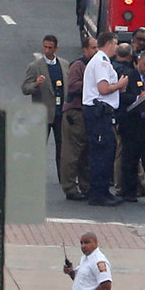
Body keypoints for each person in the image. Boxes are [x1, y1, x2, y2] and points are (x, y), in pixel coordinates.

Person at [83, 32, 125, 205]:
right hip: (98, 112)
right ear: (108, 43)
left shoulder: (104, 61)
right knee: (101, 152)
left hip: (103, 112)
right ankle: (97, 194)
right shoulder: (101, 62)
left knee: (108, 150)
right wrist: (120, 84)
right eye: (115, 43)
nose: (117, 47)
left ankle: (104, 191)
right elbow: (103, 88)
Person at [116, 49, 145, 201]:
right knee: (130, 160)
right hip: (134, 125)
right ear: (138, 62)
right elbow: (122, 96)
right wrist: (138, 97)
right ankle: (129, 192)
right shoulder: (129, 77)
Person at [22, 34, 66, 167]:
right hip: (43, 115)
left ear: (56, 49)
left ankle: (63, 178)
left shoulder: (64, 65)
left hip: (60, 113)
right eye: (45, 47)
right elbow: (25, 88)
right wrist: (35, 84)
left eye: (50, 48)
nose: (47, 51)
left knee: (62, 148)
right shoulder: (35, 66)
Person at [59, 35, 93, 199]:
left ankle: (85, 186)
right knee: (72, 153)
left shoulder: (95, 65)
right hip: (75, 112)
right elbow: (72, 87)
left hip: (87, 113)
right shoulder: (78, 65)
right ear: (85, 49)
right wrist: (91, 84)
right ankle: (70, 188)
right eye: (93, 48)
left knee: (86, 153)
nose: (95, 51)